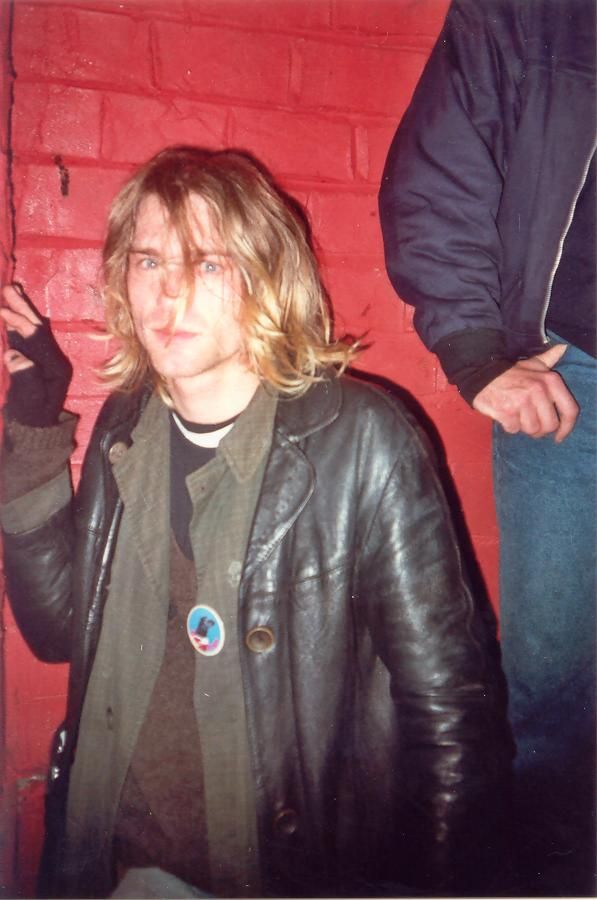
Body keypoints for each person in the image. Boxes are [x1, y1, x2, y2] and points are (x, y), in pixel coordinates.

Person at [2, 146, 511, 899]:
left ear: (267, 276)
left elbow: (452, 713)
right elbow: (56, 631)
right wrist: (35, 423)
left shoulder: (360, 440)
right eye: (148, 261)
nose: (167, 292)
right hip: (104, 862)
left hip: (273, 877)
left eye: (207, 264)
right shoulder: (126, 425)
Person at [378, 1, 596, 894]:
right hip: (575, 383)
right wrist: (475, 352)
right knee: (551, 690)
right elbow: (440, 170)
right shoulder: (531, 12)